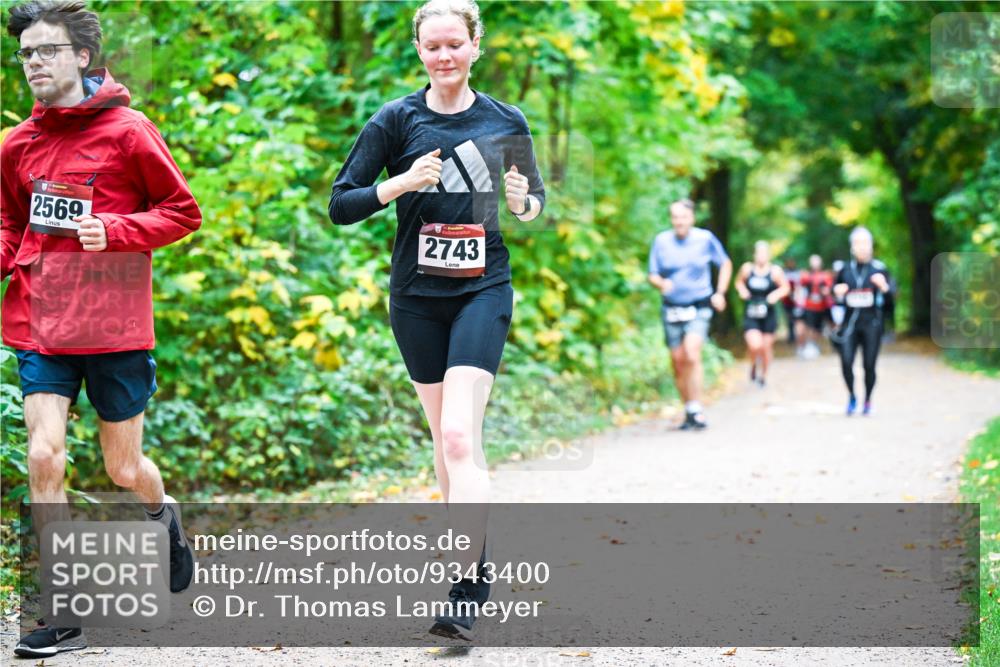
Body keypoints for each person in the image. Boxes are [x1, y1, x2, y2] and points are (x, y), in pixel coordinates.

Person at [328, 0, 544, 640]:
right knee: (445, 442)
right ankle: (469, 564)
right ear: (419, 51)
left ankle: (466, 586)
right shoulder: (396, 120)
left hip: (484, 289)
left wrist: (521, 200)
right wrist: (399, 185)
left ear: (476, 46)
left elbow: (533, 201)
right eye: (433, 46)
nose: (444, 56)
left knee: (458, 436)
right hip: (416, 297)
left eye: (455, 44)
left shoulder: (505, 119)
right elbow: (342, 204)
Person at [2, 0, 201, 657]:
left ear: (81, 57)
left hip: (114, 325)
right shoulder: (16, 145)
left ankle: (161, 512)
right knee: (43, 454)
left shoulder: (129, 131)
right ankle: (61, 611)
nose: (34, 62)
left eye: (47, 50)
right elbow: (11, 224)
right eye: (26, 52)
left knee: (123, 467)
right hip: (42, 320)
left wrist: (114, 230)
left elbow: (182, 211)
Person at [648, 199, 732, 429]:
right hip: (672, 308)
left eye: (683, 217)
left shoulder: (704, 239)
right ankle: (690, 410)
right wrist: (661, 283)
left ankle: (697, 408)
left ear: (692, 218)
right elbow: (652, 274)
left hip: (699, 305)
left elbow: (725, 263)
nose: (679, 221)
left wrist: (721, 293)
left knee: (691, 354)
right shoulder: (661, 241)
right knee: (677, 361)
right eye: (675, 217)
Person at [832, 227, 893, 416]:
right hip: (849, 325)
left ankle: (867, 400)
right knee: (846, 362)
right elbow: (834, 300)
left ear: (871, 246)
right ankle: (852, 397)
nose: (862, 247)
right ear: (852, 247)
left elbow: (891, 302)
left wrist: (883, 287)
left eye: (866, 243)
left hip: (871, 325)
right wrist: (837, 293)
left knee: (869, 365)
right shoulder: (844, 269)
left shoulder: (879, 269)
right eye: (858, 243)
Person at [734, 241, 789, 387]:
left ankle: (763, 376)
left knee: (765, 347)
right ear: (755, 254)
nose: (761, 256)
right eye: (759, 253)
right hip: (751, 312)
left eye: (764, 253)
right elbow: (738, 282)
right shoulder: (747, 269)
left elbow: (785, 288)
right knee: (754, 345)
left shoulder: (775, 271)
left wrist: (775, 295)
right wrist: (742, 291)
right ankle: (753, 364)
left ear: (769, 255)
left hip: (768, 313)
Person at [795, 254, 833, 359]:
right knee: (806, 327)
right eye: (813, 261)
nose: (815, 264)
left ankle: (814, 345)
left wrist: (827, 294)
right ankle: (805, 346)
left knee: (818, 328)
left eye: (817, 261)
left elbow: (829, 289)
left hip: (821, 306)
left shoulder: (826, 276)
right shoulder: (805, 276)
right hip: (808, 306)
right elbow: (799, 289)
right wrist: (799, 301)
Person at [781, 256, 800, 346]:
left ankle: (797, 337)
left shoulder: (797, 273)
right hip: (786, 301)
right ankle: (791, 336)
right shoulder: (784, 273)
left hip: (796, 301)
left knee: (796, 319)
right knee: (789, 319)